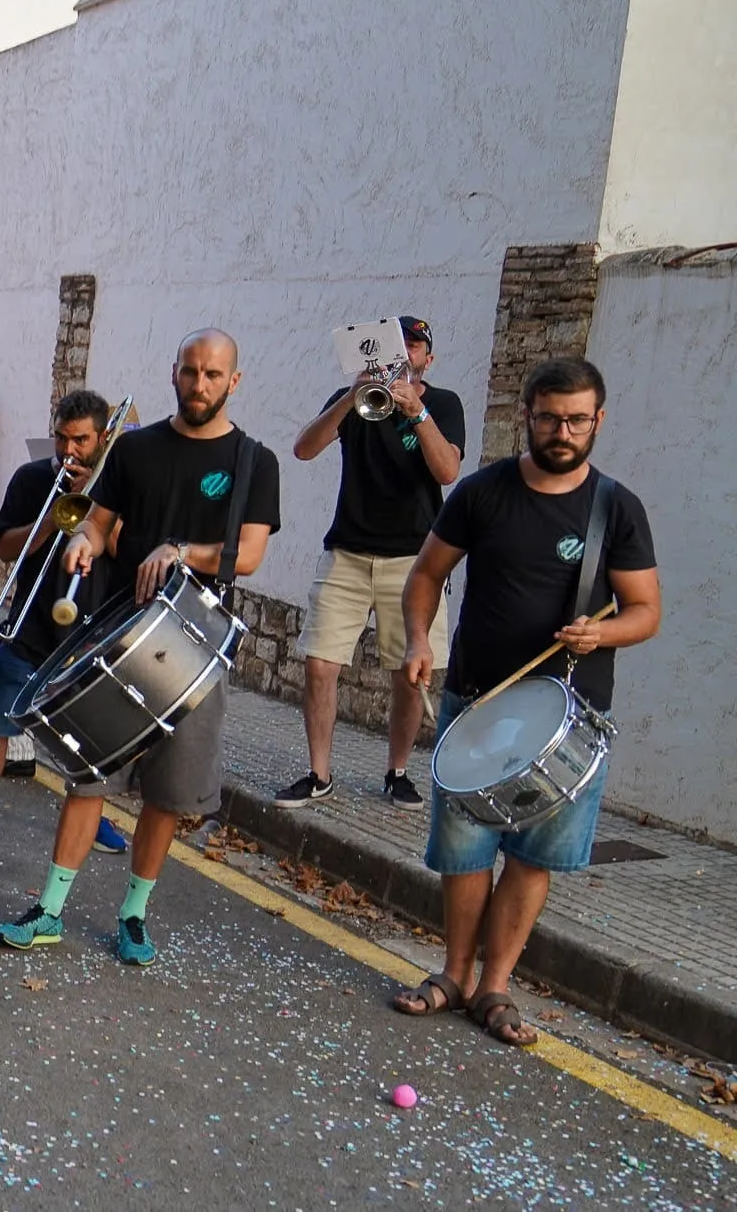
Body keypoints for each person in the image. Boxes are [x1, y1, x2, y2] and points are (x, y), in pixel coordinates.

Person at [392, 357, 659, 1047]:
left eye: (576, 418)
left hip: (570, 717)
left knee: (534, 855)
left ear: (597, 421)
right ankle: (452, 973)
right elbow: (426, 574)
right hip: (479, 701)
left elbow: (646, 611)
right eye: (549, 416)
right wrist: (420, 636)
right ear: (527, 417)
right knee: (465, 848)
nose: (561, 430)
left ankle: (495, 985)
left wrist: (602, 631)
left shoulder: (616, 508)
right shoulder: (483, 493)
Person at [0, 330, 280, 968]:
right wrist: (84, 544)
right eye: (190, 372)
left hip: (198, 645)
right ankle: (49, 910)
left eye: (213, 375)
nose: (199, 384)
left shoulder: (253, 462)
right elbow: (98, 521)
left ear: (233, 382)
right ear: (174, 373)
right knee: (88, 777)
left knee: (168, 794)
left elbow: (252, 555)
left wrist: (180, 551)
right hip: (121, 630)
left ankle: (132, 915)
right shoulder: (138, 449)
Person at [0, 390, 128, 862]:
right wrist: (52, 522)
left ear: (101, 439)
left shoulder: (117, 488)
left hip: (92, 629)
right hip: (32, 626)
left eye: (80, 440)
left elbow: (128, 552)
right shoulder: (32, 478)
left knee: (92, 739)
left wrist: (93, 508)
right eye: (61, 438)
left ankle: (94, 818)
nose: (68, 450)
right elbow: (6, 548)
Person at [276, 316, 464, 812]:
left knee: (410, 674)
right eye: (398, 345)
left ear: (428, 357)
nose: (408, 352)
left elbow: (447, 469)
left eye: (417, 346)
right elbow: (303, 449)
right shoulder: (354, 399)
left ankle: (397, 772)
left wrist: (417, 412)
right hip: (348, 551)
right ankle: (319, 774)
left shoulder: (443, 404)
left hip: (414, 560)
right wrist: (351, 396)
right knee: (319, 663)